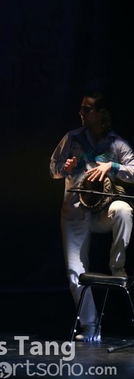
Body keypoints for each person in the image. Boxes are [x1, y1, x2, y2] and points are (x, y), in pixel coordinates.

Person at [50, 90, 134, 342]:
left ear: (101, 113)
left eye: (87, 109)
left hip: (103, 212)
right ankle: (90, 326)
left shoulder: (117, 144)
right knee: (75, 270)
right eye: (81, 108)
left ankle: (117, 264)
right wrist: (63, 168)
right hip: (75, 212)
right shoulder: (72, 138)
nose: (82, 113)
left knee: (124, 210)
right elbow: (53, 168)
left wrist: (113, 166)